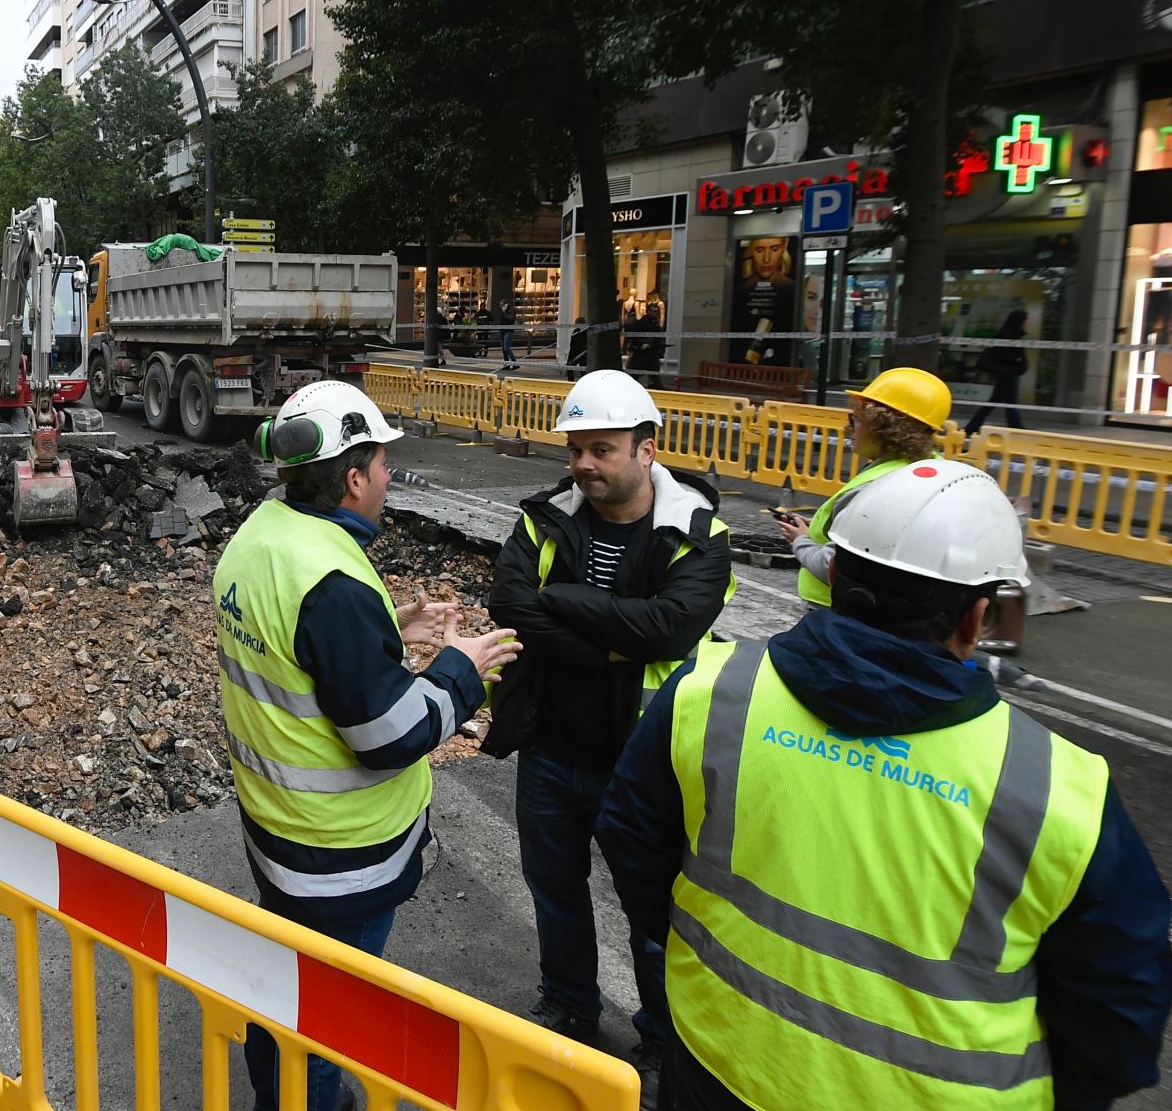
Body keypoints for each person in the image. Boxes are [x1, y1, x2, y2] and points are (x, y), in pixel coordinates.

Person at [598, 460, 1172, 1111]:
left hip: (720, 1061)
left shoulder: (712, 691)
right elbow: (1120, 1015)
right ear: (977, 615)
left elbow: (630, 839)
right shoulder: (1059, 789)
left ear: (835, 574)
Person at [216, 379, 520, 1111]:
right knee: (325, 1016)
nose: (390, 476)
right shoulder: (333, 584)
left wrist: (391, 625)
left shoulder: (260, 535)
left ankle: (275, 1091)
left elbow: (304, 654)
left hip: (278, 836)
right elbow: (391, 736)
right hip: (340, 859)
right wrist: (461, 670)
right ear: (353, 477)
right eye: (383, 462)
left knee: (282, 985)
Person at [483, 369, 734, 1095]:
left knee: (652, 911)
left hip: (645, 760)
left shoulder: (694, 532)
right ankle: (568, 1001)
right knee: (555, 889)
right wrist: (610, 641)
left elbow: (673, 625)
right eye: (576, 449)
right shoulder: (546, 515)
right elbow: (509, 602)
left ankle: (662, 1034)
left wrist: (559, 602)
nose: (584, 464)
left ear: (648, 448)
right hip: (553, 749)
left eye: (603, 449)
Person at [775, 366, 949, 608]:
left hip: (840, 612)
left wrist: (800, 540)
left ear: (882, 426)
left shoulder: (879, 486)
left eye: (854, 419)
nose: (847, 428)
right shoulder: (933, 469)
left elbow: (837, 567)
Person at [965, 309, 1030, 435]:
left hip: (1010, 373)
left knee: (996, 401)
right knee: (1010, 401)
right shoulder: (1007, 334)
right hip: (1007, 373)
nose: (1028, 322)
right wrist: (1016, 359)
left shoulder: (1015, 334)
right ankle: (1016, 426)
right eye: (1026, 319)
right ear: (1019, 320)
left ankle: (973, 426)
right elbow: (999, 353)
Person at [498, 297, 520, 371]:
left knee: (506, 347)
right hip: (502, 331)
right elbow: (501, 320)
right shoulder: (502, 311)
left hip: (508, 331)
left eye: (502, 305)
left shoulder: (511, 311)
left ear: (506, 305)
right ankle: (506, 364)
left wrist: (504, 312)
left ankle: (515, 362)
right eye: (500, 305)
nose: (500, 307)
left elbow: (510, 320)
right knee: (503, 349)